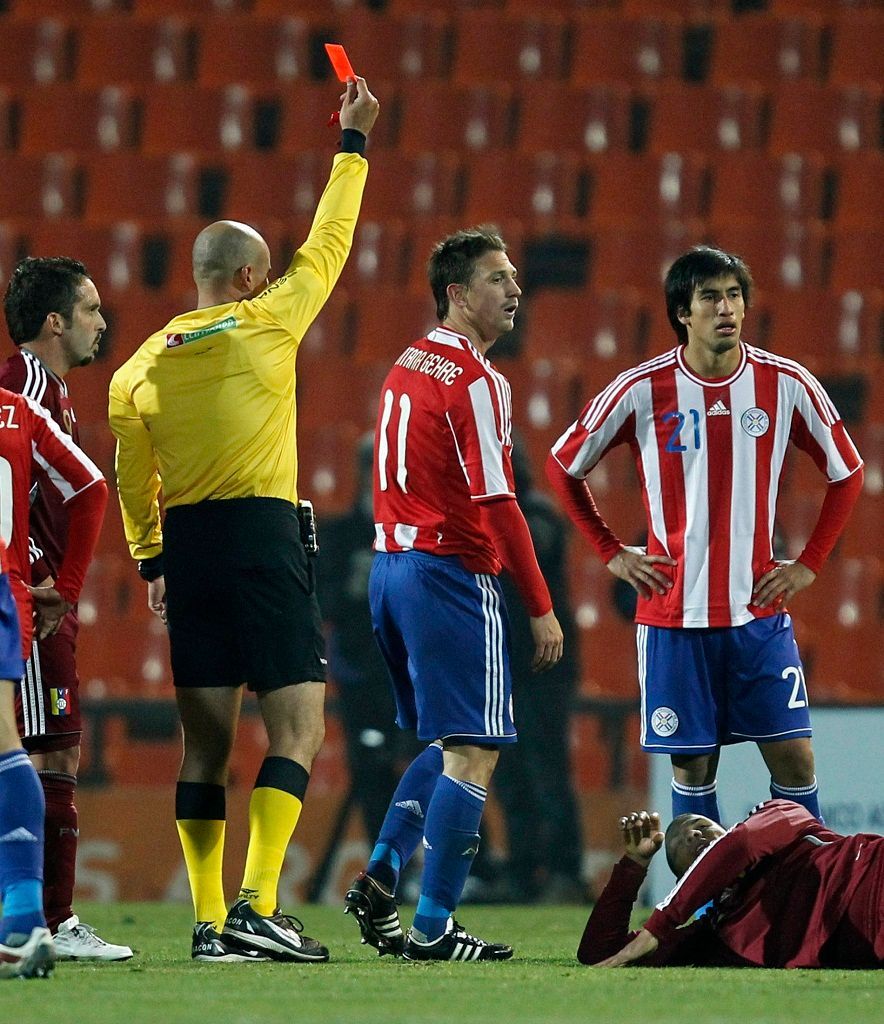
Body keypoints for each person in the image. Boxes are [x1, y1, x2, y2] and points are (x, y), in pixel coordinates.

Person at [108, 77, 379, 964]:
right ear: (249, 276)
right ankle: (260, 904)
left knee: (205, 744)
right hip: (262, 537)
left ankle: (208, 923)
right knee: (297, 728)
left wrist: (152, 562)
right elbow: (330, 244)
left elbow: (130, 475)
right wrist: (352, 143)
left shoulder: (139, 365)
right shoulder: (264, 322)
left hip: (187, 550)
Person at [546, 245, 864, 827]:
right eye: (711, 297)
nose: (727, 309)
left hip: (757, 613)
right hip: (674, 619)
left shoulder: (785, 382)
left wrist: (810, 563)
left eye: (735, 295)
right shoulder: (642, 389)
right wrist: (611, 553)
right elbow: (564, 466)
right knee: (693, 772)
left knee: (795, 758)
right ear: (682, 313)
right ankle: (708, 911)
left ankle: (802, 900)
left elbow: (848, 472)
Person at [344, 226, 564, 963]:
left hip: (390, 571)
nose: (514, 291)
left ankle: (381, 872)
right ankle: (435, 925)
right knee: (477, 751)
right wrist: (538, 603)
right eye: (498, 279)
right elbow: (500, 503)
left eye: (514, 278)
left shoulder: (407, 363)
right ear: (458, 294)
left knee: (444, 743)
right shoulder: (477, 379)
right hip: (448, 575)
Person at [1, 256, 132, 962]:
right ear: (54, 321)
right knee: (40, 748)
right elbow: (23, 495)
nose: (101, 322)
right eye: (89, 310)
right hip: (31, 599)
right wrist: (48, 579)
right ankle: (46, 920)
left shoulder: (49, 389)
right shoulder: (23, 387)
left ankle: (48, 917)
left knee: (54, 748)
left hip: (41, 595)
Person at [0, 384, 108, 979]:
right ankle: (22, 919)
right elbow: (91, 486)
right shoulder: (18, 408)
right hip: (5, 591)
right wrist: (65, 590)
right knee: (6, 745)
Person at [577, 801, 884, 968]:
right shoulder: (717, 935)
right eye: (680, 846)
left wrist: (660, 923)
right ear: (685, 879)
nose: (693, 836)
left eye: (701, 827)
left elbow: (742, 844)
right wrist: (633, 866)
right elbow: (600, 953)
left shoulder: (781, 817)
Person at [493, 438, 585, 904]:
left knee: (546, 770)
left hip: (544, 667)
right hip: (504, 660)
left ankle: (565, 870)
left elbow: (530, 546)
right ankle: (524, 868)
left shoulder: (536, 514)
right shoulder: (509, 513)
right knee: (509, 774)